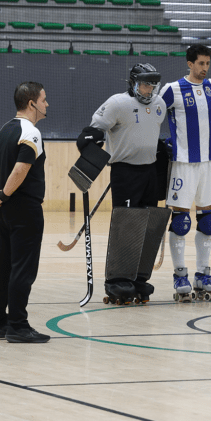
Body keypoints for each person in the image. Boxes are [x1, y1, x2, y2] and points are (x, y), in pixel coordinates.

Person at [79, 63, 166, 302]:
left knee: (148, 226)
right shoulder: (117, 103)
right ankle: (117, 279)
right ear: (134, 83)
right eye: (145, 84)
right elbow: (95, 129)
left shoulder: (159, 104)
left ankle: (139, 277)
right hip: (125, 172)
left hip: (150, 172)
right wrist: (90, 140)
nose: (149, 89)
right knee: (127, 227)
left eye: (153, 85)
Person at [0, 81, 50, 343]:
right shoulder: (30, 132)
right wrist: (3, 194)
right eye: (44, 100)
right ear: (32, 103)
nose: (47, 104)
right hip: (25, 209)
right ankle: (18, 326)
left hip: (4, 211)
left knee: (3, 265)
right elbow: (21, 169)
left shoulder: (4, 130)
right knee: (22, 268)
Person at [159, 45, 211, 300]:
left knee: (207, 221)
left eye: (208, 63)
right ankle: (180, 274)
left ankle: (202, 273)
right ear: (189, 64)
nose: (205, 68)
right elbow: (154, 115)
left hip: (208, 162)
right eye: (200, 63)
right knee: (181, 222)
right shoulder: (172, 89)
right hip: (183, 163)